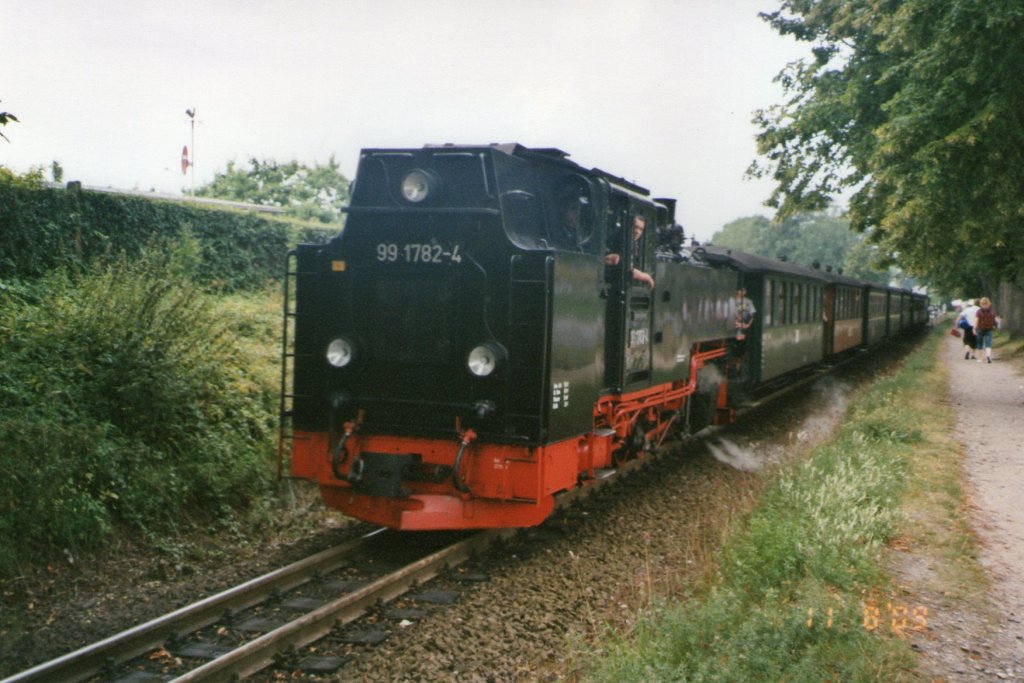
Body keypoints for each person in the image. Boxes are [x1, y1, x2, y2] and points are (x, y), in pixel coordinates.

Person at [605, 213, 655, 288]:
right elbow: (629, 271)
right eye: (635, 227)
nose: (637, 231)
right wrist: (647, 277)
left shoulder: (634, 244)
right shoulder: (619, 240)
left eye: (641, 229)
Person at [973, 297, 1001, 363]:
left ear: (981, 304)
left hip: (980, 329)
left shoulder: (979, 312)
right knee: (988, 343)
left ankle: (980, 359)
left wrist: (974, 328)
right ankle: (988, 356)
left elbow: (976, 321)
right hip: (989, 329)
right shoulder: (992, 311)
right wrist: (998, 327)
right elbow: (997, 320)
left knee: (980, 343)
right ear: (989, 304)